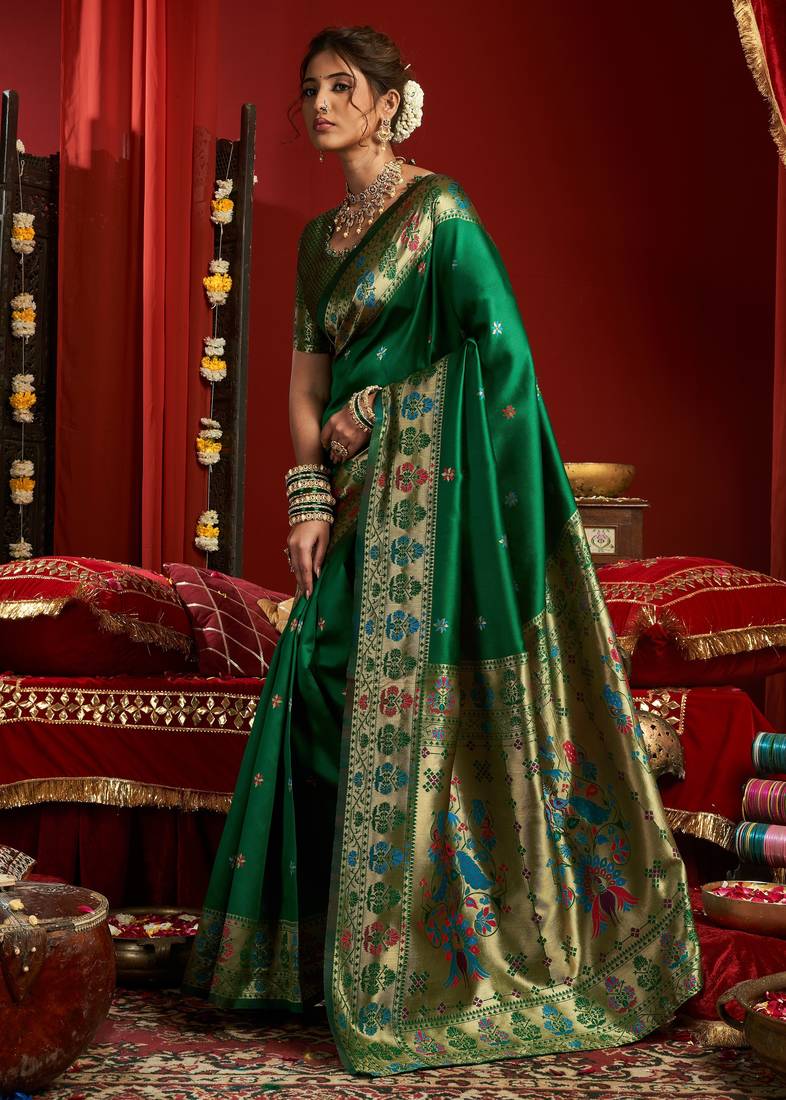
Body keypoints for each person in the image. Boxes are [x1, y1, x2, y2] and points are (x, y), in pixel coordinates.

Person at [183, 23, 701, 1077]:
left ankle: (422, 960)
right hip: (354, 508)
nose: (321, 105)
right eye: (310, 89)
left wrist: (386, 409)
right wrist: (306, 499)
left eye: (342, 87)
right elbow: (303, 386)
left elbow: (500, 361)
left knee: (393, 700)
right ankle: (321, 956)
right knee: (316, 680)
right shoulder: (317, 243)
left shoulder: (441, 215)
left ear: (388, 103)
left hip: (434, 510)